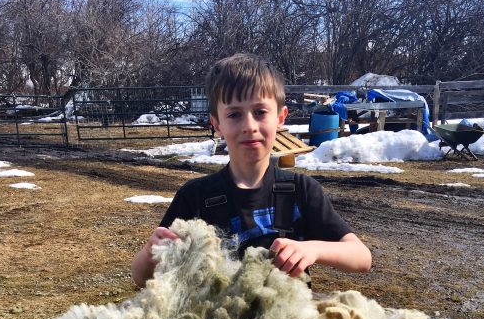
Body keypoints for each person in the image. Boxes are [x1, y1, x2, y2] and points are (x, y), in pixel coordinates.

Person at [131, 54, 372, 288]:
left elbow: (361, 257)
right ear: (216, 124)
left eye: (260, 112)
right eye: (235, 114)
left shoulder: (302, 191)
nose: (249, 126)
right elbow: (142, 279)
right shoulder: (195, 196)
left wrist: (313, 249)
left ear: (280, 118)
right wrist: (150, 254)